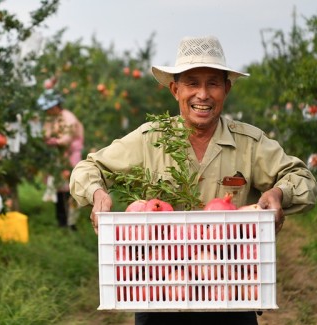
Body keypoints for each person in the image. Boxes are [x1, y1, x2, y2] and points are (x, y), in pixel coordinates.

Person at [69, 35, 317, 324]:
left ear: (226, 89)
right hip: (158, 294)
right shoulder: (151, 139)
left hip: (231, 292)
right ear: (175, 90)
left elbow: (302, 178)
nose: (203, 94)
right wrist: (97, 193)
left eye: (213, 83)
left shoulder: (249, 142)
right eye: (192, 83)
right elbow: (88, 168)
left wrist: (279, 194)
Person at [37, 89, 84, 230]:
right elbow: (46, 132)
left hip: (70, 157)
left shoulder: (67, 117)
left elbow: (67, 138)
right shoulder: (51, 118)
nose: (46, 111)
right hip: (59, 156)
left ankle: (71, 223)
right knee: (59, 188)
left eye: (48, 108)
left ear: (55, 106)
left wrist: (56, 142)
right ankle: (61, 221)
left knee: (71, 190)